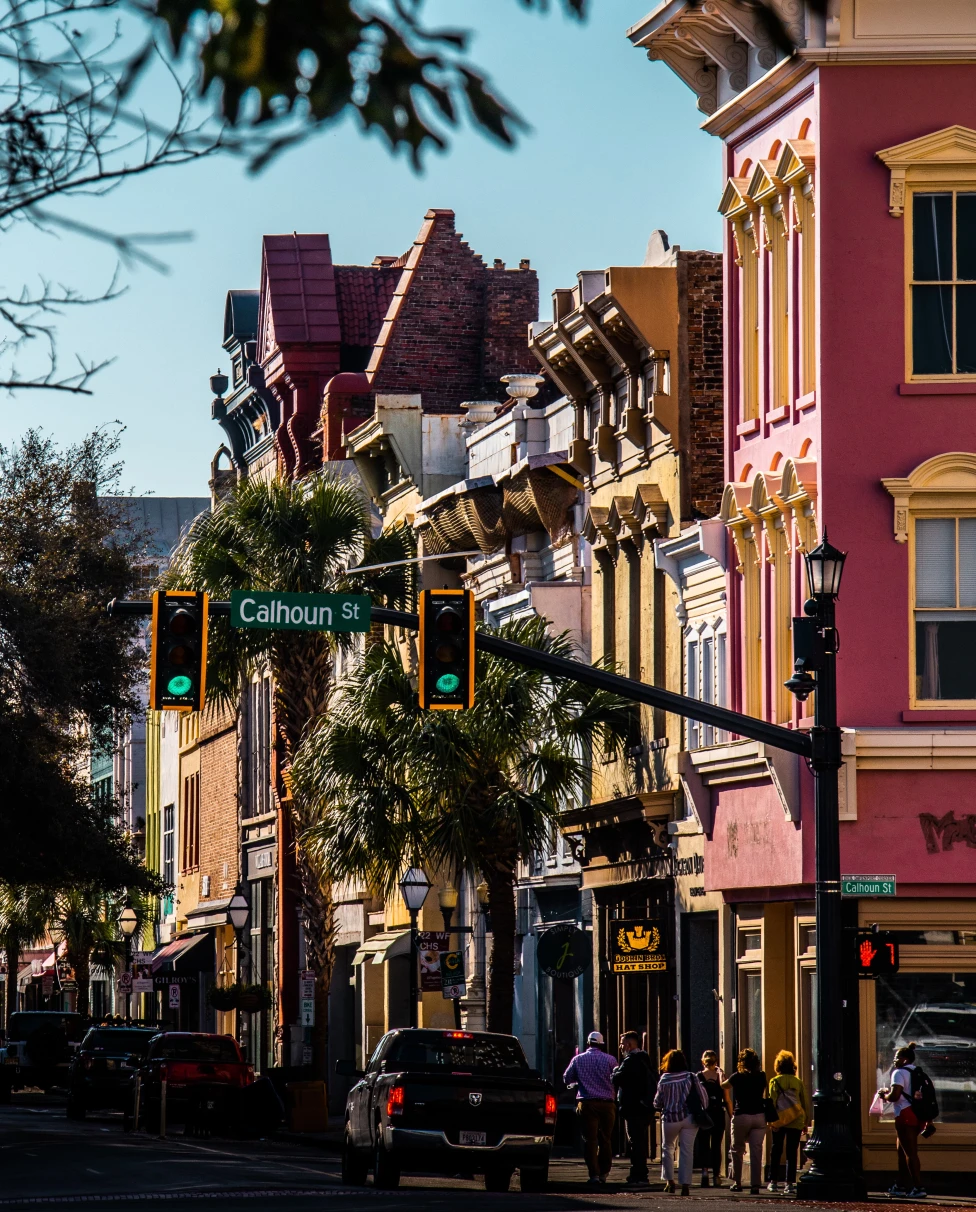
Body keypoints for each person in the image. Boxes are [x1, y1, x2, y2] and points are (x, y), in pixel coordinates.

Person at [563, 1030, 618, 1186]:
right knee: (605, 1139)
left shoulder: (578, 1059)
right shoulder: (610, 1060)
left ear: (588, 1043)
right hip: (607, 1103)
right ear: (601, 1044)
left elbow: (567, 1078)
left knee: (590, 1140)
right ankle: (604, 1172)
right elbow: (617, 1078)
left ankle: (593, 1174)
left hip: (587, 1103)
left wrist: (580, 1080)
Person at [653, 1048, 706, 1195]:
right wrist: (703, 1109)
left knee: (667, 1149)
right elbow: (703, 1096)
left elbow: (657, 1102)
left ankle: (670, 1181)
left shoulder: (664, 1079)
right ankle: (685, 1185)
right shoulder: (691, 1076)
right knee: (687, 1151)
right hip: (689, 1118)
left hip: (670, 1119)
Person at [881, 1042, 927, 1199]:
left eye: (897, 1057)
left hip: (904, 1114)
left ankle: (918, 1187)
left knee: (910, 1153)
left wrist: (884, 1096)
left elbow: (895, 1096)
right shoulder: (918, 1072)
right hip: (916, 1114)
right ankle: (900, 1185)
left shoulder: (898, 1073)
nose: (894, 1061)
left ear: (905, 1059)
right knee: (902, 1152)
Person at [613, 1031, 655, 1187]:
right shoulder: (645, 1059)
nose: (620, 1046)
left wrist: (614, 1073)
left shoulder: (630, 1061)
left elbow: (618, 1078)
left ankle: (639, 1174)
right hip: (644, 1107)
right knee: (639, 1141)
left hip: (634, 1108)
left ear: (629, 1045)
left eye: (622, 1043)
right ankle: (639, 1172)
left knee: (636, 1142)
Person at [722, 1047, 767, 1194]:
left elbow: (724, 1086)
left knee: (737, 1149)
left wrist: (721, 1077)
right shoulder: (761, 1076)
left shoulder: (737, 1076)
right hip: (759, 1116)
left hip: (742, 1115)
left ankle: (737, 1182)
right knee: (756, 1151)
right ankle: (755, 1184)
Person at [767, 1050, 811, 1194]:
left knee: (776, 1150)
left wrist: (771, 1121)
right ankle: (790, 1183)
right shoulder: (798, 1082)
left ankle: (773, 1181)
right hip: (796, 1119)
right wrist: (805, 1122)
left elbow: (771, 1102)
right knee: (792, 1152)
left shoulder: (774, 1081)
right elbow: (804, 1102)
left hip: (779, 1120)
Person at [696, 1049, 726, 1188]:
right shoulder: (720, 1076)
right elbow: (726, 1095)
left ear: (703, 1062)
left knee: (703, 1145)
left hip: (704, 1114)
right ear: (716, 1061)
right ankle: (716, 1176)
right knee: (716, 1145)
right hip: (718, 1114)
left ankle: (704, 1173)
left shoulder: (698, 1076)